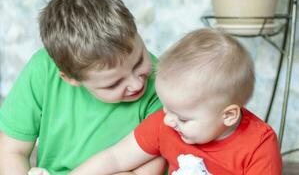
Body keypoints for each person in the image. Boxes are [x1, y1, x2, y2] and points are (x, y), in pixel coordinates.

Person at [64, 28, 281, 174]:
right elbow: (115, 157)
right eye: (167, 108)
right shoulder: (166, 124)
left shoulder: (259, 145)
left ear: (228, 115)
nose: (168, 120)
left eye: (183, 118)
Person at [0, 0, 166, 175]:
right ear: (70, 79)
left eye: (139, 61)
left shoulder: (163, 84)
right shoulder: (43, 70)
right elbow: (12, 151)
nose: (137, 83)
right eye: (114, 84)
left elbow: (146, 172)